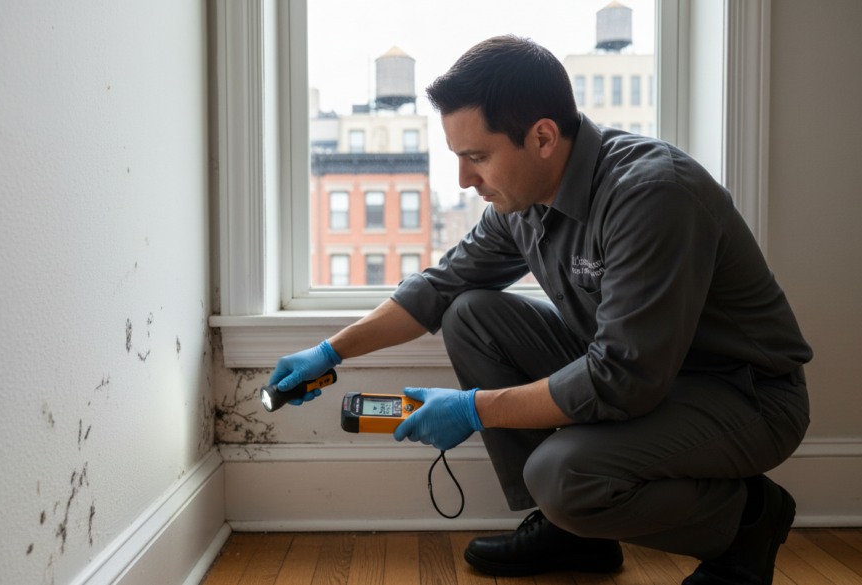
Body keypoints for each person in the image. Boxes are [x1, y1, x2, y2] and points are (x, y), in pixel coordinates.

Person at [268, 35, 811, 585]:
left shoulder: (651, 195)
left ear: (544, 137)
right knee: (471, 315)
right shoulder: (520, 202)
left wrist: (475, 409)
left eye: (477, 157)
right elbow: (439, 286)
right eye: (459, 158)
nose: (464, 180)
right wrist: (330, 351)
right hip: (642, 376)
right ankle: (573, 536)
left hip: (743, 394)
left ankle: (747, 524)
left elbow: (623, 380)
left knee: (562, 475)